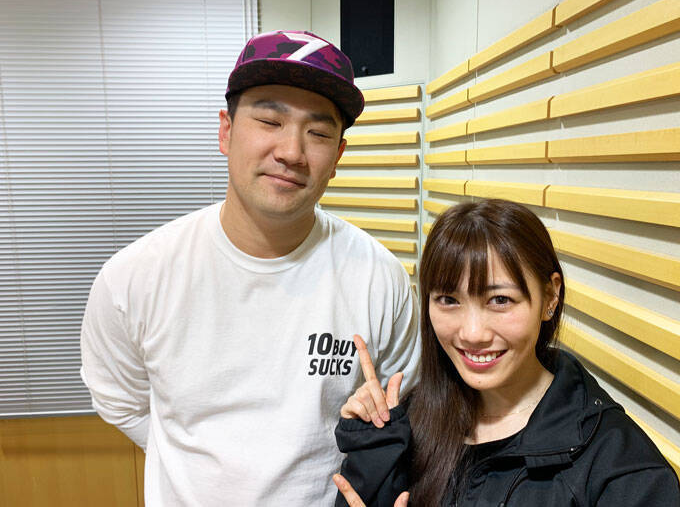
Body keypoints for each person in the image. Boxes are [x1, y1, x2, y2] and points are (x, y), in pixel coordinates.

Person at [80, 30, 420, 506]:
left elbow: (399, 409)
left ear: (337, 157)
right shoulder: (135, 277)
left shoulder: (379, 278)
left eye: (318, 133)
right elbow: (123, 403)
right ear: (226, 131)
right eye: (269, 121)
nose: (291, 152)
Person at [333, 199, 679, 506]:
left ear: (550, 296)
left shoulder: (622, 470)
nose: (472, 333)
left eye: (500, 300)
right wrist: (374, 446)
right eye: (448, 300)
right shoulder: (409, 426)